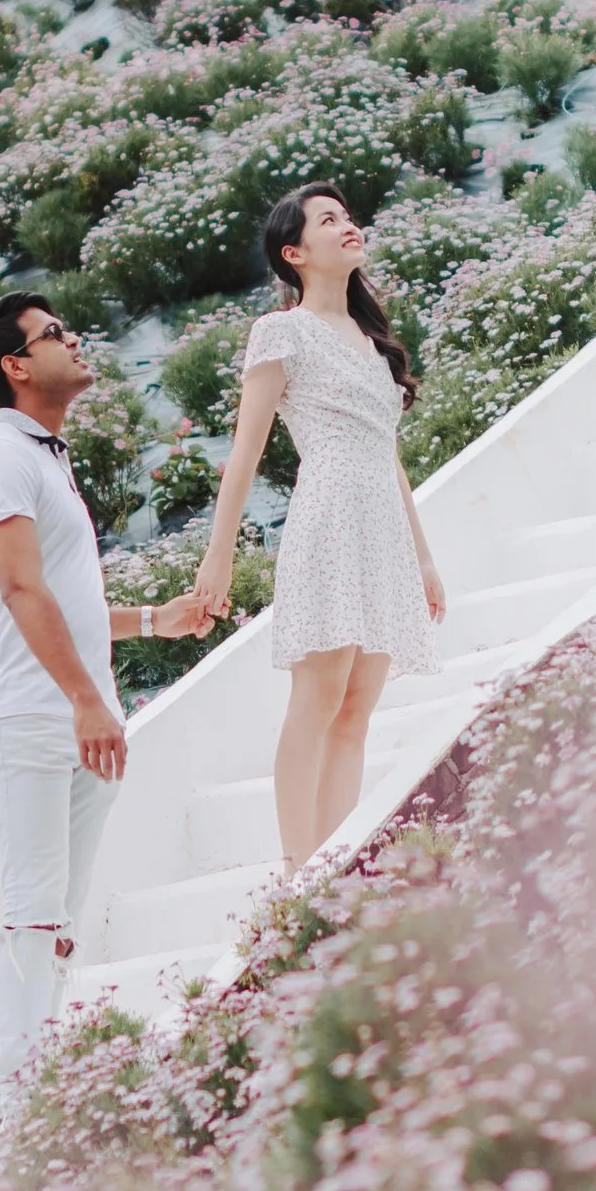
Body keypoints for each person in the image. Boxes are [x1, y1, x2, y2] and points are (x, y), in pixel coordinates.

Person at [0, 292, 214, 1104]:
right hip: (32, 714)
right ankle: (12, 1105)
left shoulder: (45, 457)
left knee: (60, 917)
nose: (73, 340)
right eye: (53, 334)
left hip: (75, 714)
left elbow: (67, 598)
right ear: (16, 366)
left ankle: (44, 1085)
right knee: (34, 906)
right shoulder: (0, 458)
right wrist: (85, 700)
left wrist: (154, 620)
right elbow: (20, 588)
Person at [191, 183, 445, 868]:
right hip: (329, 519)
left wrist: (422, 558)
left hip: (382, 530)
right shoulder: (282, 331)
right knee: (319, 697)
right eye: (328, 220)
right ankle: (296, 874)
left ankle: (338, 865)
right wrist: (219, 555)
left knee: (357, 708)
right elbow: (245, 450)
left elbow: (388, 454)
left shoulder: (372, 341)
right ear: (294, 253)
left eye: (347, 216)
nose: (347, 226)